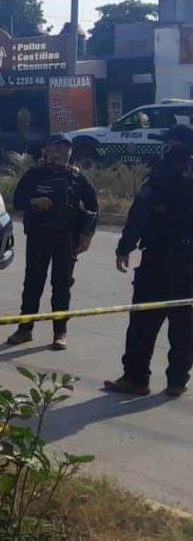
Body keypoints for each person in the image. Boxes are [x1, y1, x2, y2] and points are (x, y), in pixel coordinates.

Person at [104, 124, 193, 397]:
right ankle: (177, 381)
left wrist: (124, 247)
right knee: (185, 324)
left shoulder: (161, 174)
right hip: (189, 261)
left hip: (159, 259)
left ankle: (136, 378)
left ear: (171, 145)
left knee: (144, 320)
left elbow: (140, 213)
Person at [6, 134, 98, 350]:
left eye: (65, 149)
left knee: (62, 285)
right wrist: (33, 201)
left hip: (66, 238)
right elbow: (18, 201)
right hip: (39, 236)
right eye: (56, 148)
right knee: (33, 283)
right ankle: (25, 329)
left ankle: (60, 332)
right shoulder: (34, 175)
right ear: (46, 150)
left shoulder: (76, 177)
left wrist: (87, 236)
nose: (60, 153)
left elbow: (93, 207)